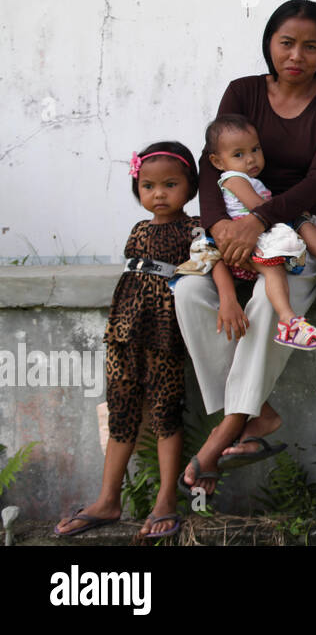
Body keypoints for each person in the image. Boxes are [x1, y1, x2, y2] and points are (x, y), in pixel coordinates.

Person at [174, 0, 316, 497]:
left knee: (268, 304)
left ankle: (228, 430)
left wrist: (258, 220)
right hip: (233, 231)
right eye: (287, 43)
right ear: (270, 44)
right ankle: (261, 414)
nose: (297, 55)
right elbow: (211, 165)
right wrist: (218, 229)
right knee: (188, 295)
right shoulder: (243, 91)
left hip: (296, 229)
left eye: (311, 46)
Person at [54, 143, 205, 540]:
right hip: (124, 332)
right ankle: (108, 499)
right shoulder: (138, 230)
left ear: (190, 187)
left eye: (170, 185)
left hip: (163, 334)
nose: (158, 194)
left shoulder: (194, 230)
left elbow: (209, 272)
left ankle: (166, 500)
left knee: (164, 411)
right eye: (148, 186)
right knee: (122, 412)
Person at [204, 114, 316, 350]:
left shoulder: (248, 177)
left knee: (299, 219)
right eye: (239, 155)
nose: (250, 159)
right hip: (243, 244)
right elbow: (259, 207)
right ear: (217, 162)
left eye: (255, 150)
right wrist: (284, 206)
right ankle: (288, 322)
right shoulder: (233, 178)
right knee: (274, 269)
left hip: (261, 233)